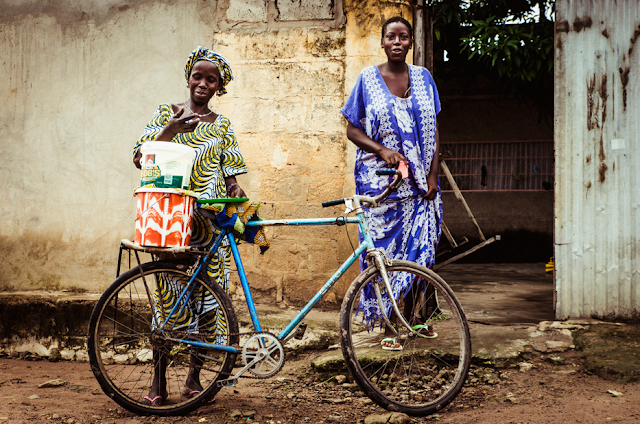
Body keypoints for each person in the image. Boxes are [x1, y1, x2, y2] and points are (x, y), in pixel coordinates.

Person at [133, 46, 247, 405]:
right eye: (197, 76)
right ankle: (158, 381)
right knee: (169, 301)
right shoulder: (167, 113)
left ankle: (195, 379)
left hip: (211, 223)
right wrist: (169, 130)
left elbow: (230, 173)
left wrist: (234, 186)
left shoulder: (222, 124)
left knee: (209, 303)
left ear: (218, 86)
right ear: (188, 78)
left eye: (210, 79)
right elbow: (140, 157)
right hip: (172, 221)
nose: (202, 83)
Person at [340, 17, 442, 350]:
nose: (397, 42)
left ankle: (417, 319)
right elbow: (352, 130)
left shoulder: (424, 78)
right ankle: (387, 325)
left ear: (411, 41)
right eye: (390, 37)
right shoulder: (368, 80)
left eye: (403, 36)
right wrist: (382, 149)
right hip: (380, 186)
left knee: (419, 252)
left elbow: (436, 131)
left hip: (418, 185)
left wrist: (432, 174)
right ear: (382, 42)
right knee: (383, 255)